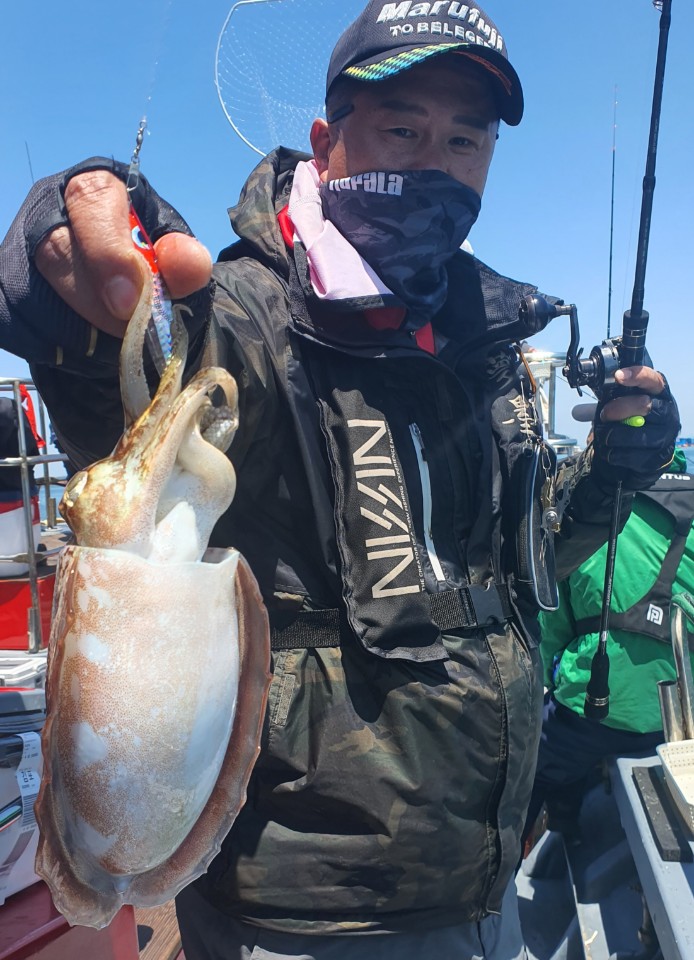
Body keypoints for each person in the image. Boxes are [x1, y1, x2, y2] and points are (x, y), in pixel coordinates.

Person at [0, 2, 681, 957]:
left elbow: (525, 564)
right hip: (307, 910)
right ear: (326, 144)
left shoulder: (485, 345)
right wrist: (69, 290)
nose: (436, 162)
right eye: (403, 129)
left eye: (465, 139)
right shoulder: (248, 314)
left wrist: (615, 471)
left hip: (483, 881)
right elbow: (151, 375)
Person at [522, 448, 694, 851]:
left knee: (531, 770)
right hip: (677, 724)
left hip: (588, 716)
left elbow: (551, 628)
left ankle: (560, 828)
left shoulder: (590, 511)